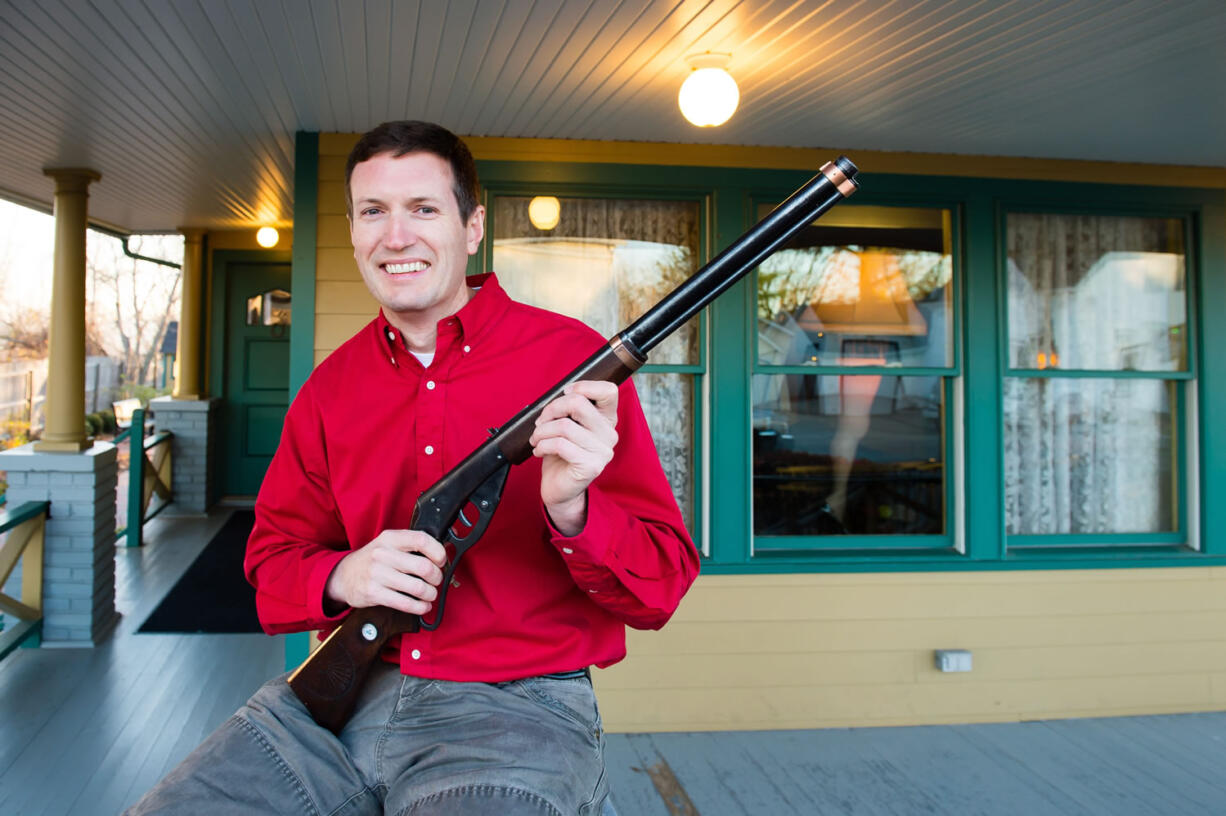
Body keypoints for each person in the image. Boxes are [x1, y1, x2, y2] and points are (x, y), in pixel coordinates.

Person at [124, 120, 699, 815]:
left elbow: (661, 587)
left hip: (520, 707)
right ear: (355, 231)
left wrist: (573, 510)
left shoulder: (573, 368)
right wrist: (345, 574)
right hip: (342, 700)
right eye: (374, 212)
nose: (396, 236)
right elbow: (270, 560)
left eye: (423, 209)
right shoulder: (328, 391)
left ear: (472, 226)